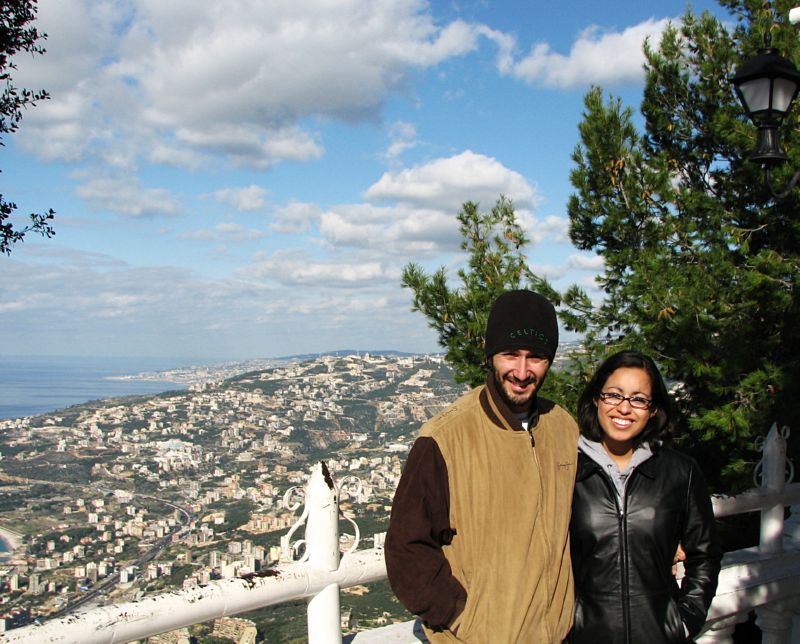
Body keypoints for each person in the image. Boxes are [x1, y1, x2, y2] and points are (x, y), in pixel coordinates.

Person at [385, 290, 579, 643]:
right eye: (510, 355)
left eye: (535, 357)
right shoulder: (445, 438)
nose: (521, 372)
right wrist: (463, 615)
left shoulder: (563, 427)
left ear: (549, 360)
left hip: (558, 634)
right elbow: (406, 547)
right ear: (492, 355)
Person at [568, 350, 721, 643]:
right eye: (614, 395)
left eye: (638, 399)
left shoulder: (680, 472)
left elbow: (706, 554)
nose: (624, 408)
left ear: (653, 409)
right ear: (596, 400)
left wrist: (685, 620)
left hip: (659, 635)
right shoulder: (568, 472)